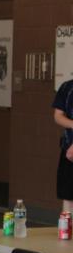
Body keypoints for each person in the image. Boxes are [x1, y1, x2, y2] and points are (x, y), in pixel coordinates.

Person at [54, 78, 73, 214]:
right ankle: (67, 228)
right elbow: (58, 116)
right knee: (67, 193)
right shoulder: (67, 87)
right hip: (68, 145)